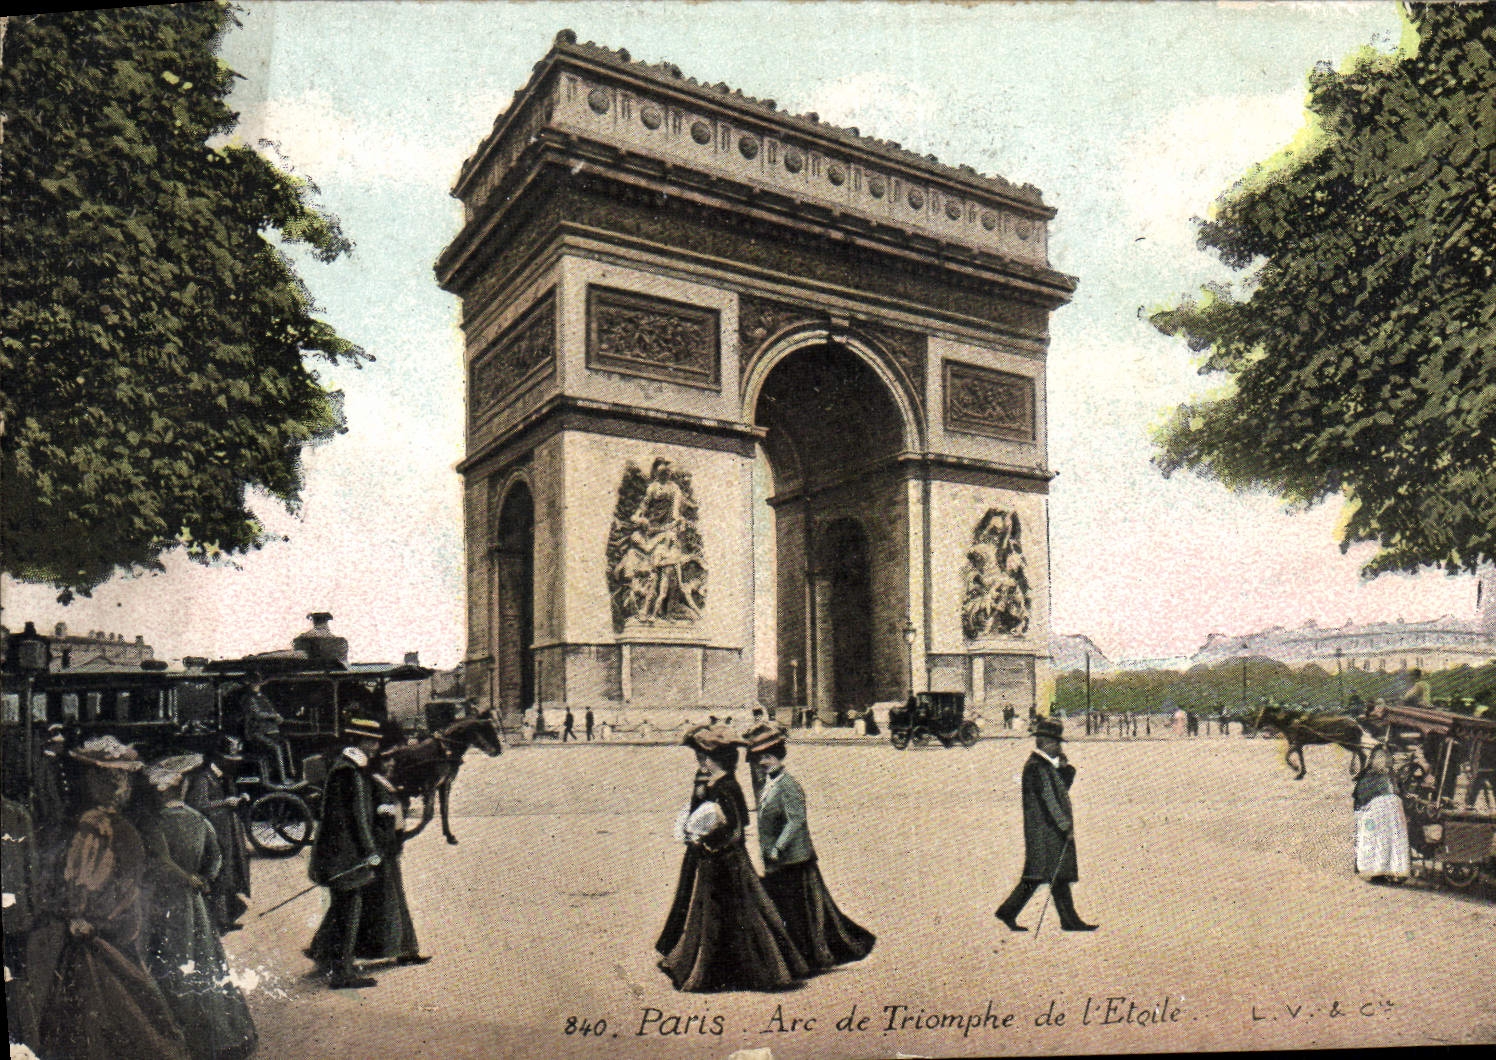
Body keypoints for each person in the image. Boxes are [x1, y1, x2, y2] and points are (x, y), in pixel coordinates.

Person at [27, 736, 191, 1060]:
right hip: (122, 919)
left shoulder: (95, 825)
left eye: (116, 779)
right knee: (128, 991)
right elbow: (109, 880)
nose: (116, 786)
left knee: (103, 1000)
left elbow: (82, 883)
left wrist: (79, 915)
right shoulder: (119, 826)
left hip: (99, 926)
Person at [655, 724, 808, 992]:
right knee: (709, 913)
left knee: (740, 913)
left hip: (728, 860)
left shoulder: (727, 786)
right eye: (701, 759)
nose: (702, 764)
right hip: (713, 858)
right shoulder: (711, 782)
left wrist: (711, 841)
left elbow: (737, 826)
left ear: (719, 761)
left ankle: (739, 970)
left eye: (706, 759)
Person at [139, 755, 258, 1060]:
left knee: (165, 960)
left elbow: (150, 866)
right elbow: (215, 860)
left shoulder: (152, 825)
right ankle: (219, 1034)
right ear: (183, 788)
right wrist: (204, 880)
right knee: (203, 958)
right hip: (194, 905)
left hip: (160, 903)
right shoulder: (198, 820)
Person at [743, 723, 875, 971]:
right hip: (778, 861)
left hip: (794, 859)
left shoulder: (789, 785)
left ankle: (815, 956)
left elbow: (796, 820)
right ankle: (797, 957)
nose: (763, 762)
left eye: (768, 757)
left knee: (803, 912)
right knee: (787, 909)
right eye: (760, 758)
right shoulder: (768, 785)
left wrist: (778, 847)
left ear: (779, 756)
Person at [994, 718, 1098, 932]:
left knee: (1055, 875)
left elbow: (1060, 789)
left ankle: (1069, 921)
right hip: (1046, 831)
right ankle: (1009, 912)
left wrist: (1064, 768)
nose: (1059, 747)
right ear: (1044, 742)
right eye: (1056, 743)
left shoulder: (1042, 766)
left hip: (1046, 830)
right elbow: (1050, 800)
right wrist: (1064, 825)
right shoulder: (1037, 767)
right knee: (1039, 875)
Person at [306, 717, 387, 988]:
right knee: (349, 912)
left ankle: (322, 954)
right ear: (359, 741)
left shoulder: (347, 767)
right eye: (371, 741)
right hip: (344, 856)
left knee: (341, 908)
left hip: (337, 853)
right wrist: (370, 851)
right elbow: (357, 818)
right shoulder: (349, 772)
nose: (376, 747)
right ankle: (342, 974)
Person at [352, 752, 429, 967]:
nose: (392, 762)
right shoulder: (374, 784)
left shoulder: (383, 783)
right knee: (389, 900)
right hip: (383, 850)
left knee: (393, 898)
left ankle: (406, 949)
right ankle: (404, 950)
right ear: (377, 763)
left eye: (392, 758)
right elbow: (375, 820)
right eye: (386, 759)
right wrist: (382, 845)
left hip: (390, 848)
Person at [183, 739, 252, 934]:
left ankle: (225, 918)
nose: (234, 763)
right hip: (213, 833)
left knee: (228, 873)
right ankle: (217, 922)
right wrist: (224, 803)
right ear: (219, 759)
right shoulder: (203, 778)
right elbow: (197, 806)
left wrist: (238, 799)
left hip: (226, 832)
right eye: (230, 759)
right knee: (218, 875)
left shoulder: (223, 777)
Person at [1353, 745, 1411, 885]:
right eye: (1379, 757)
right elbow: (1361, 796)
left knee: (1394, 839)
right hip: (1375, 812)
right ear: (1372, 760)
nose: (1383, 761)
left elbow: (1401, 793)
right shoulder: (1369, 776)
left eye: (1386, 758)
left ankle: (1394, 870)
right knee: (1380, 838)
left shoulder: (1392, 777)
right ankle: (1377, 871)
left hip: (1392, 814)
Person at [240, 673, 290, 786]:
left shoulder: (262, 697)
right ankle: (282, 779)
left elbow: (271, 710)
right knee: (276, 747)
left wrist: (278, 717)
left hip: (267, 731)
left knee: (285, 743)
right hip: (255, 733)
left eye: (258, 684)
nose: (256, 686)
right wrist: (273, 716)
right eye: (254, 684)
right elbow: (257, 714)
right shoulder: (248, 699)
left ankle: (290, 773)